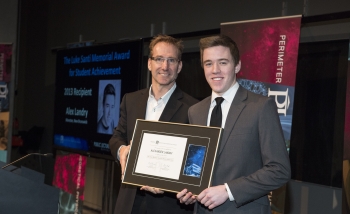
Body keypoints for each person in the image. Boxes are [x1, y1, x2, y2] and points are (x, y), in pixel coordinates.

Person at [176, 35, 291, 213]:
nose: (215, 70)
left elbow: (279, 170)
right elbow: (197, 165)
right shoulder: (195, 111)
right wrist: (189, 189)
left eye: (223, 62)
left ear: (237, 65)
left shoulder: (260, 107)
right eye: (208, 63)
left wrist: (228, 191)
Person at [109, 34, 198, 214]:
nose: (164, 67)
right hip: (128, 202)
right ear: (149, 63)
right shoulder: (131, 100)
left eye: (171, 60)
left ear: (179, 66)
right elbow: (117, 137)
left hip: (168, 205)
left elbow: (195, 160)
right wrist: (122, 150)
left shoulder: (194, 108)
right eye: (159, 59)